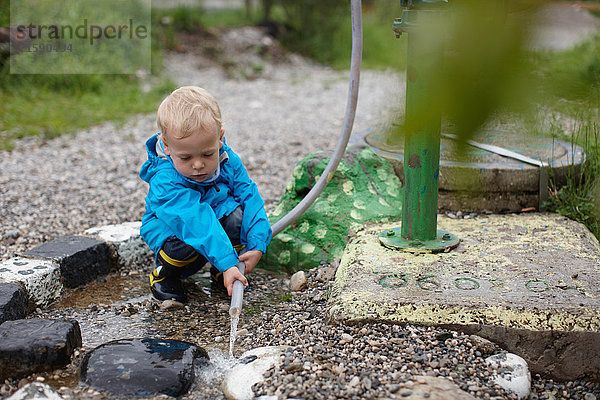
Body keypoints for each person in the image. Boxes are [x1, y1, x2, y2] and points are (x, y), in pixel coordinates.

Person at [139, 86, 272, 302]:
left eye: (207, 153)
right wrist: (228, 261)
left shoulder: (227, 160)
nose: (198, 165)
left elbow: (250, 198)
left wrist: (257, 244)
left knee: (236, 216)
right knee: (183, 243)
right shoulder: (165, 180)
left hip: (212, 227)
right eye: (186, 158)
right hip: (177, 230)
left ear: (219, 139)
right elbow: (195, 221)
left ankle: (222, 272)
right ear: (167, 146)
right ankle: (164, 276)